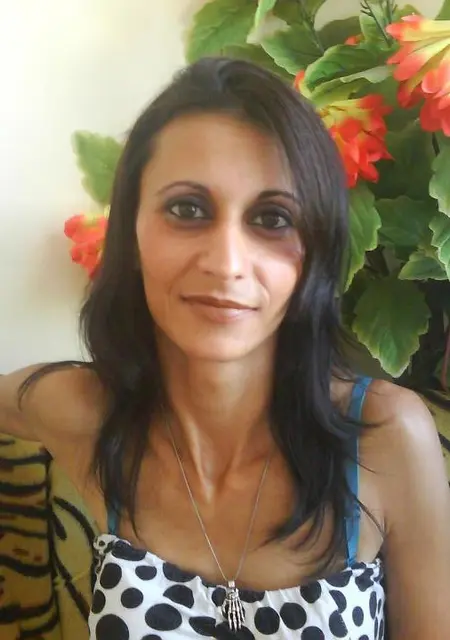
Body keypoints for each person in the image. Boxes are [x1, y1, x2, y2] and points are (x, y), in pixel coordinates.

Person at [1, 57, 449, 640]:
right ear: (131, 232)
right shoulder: (84, 412)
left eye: (272, 218)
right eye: (187, 210)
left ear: (316, 251)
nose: (226, 263)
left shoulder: (384, 437)